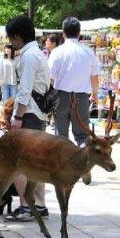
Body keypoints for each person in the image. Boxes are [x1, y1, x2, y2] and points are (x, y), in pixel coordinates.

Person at [4, 14, 50, 221]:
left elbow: (25, 90)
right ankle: (39, 205)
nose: (11, 43)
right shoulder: (38, 54)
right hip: (38, 112)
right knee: (37, 162)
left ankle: (26, 204)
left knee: (20, 162)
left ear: (17, 36)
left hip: (29, 112)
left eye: (11, 38)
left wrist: (17, 117)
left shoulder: (29, 57)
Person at [48, 17, 101, 148]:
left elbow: (49, 77)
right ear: (79, 33)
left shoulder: (57, 52)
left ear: (63, 33)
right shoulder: (88, 52)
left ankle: (61, 165)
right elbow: (94, 77)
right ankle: (82, 166)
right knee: (82, 136)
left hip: (61, 97)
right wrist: (94, 94)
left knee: (60, 137)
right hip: (81, 98)